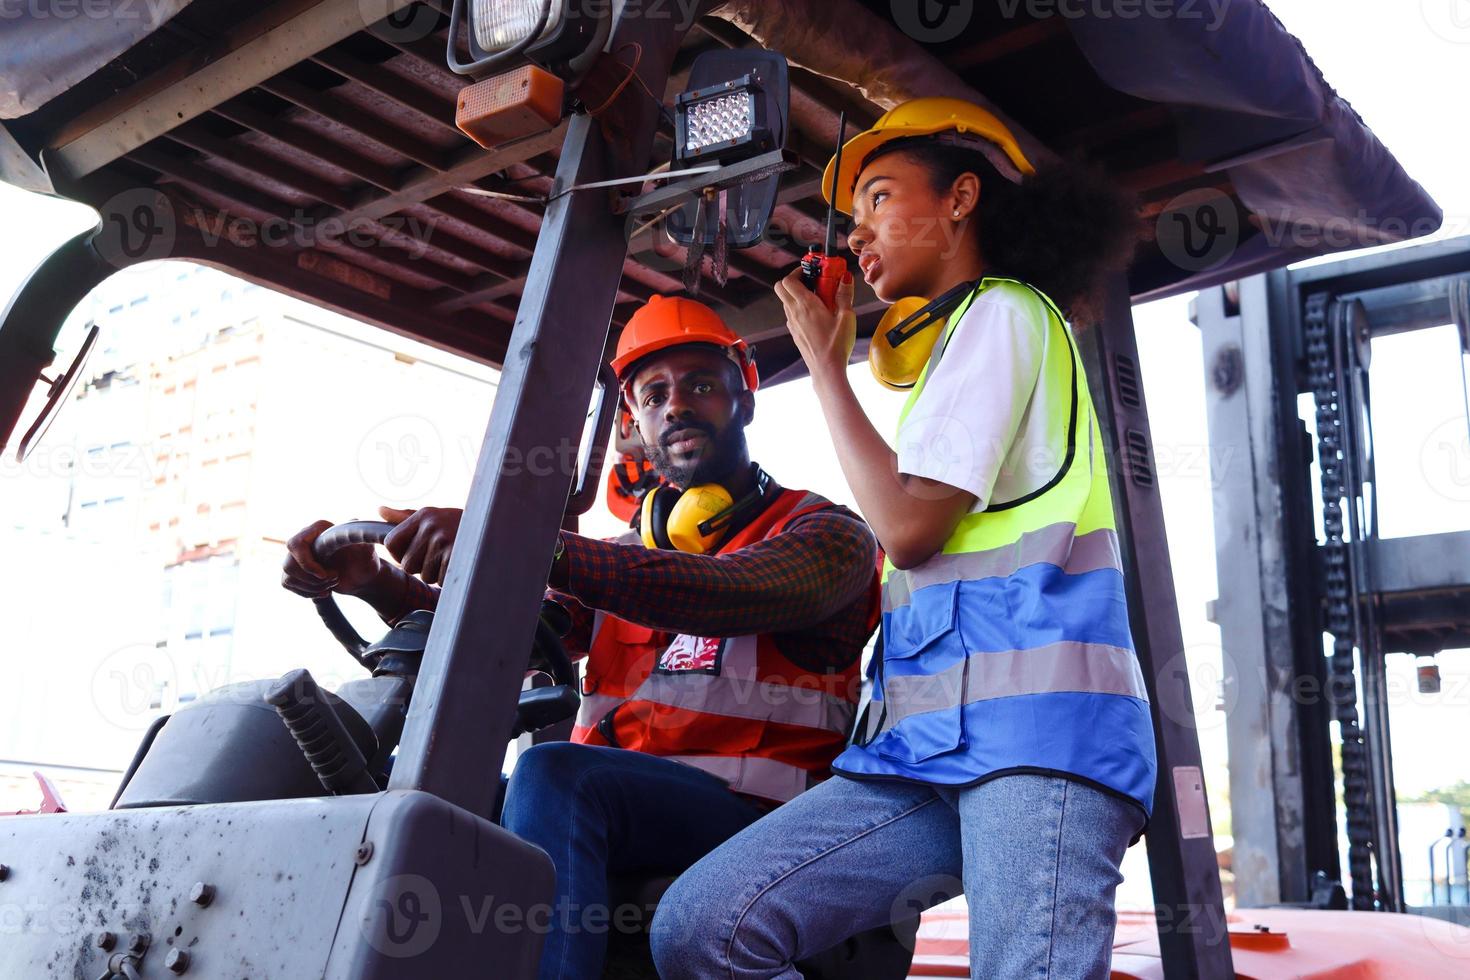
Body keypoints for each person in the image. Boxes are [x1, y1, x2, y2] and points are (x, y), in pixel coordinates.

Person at [651, 98, 1157, 980]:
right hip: (927, 750)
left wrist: (822, 364)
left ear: (961, 199)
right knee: (704, 927)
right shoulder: (961, 353)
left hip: (1037, 739)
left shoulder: (1004, 312)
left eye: (880, 198)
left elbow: (910, 528)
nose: (857, 236)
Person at [280, 294, 879, 980]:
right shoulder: (618, 562)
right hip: (620, 805)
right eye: (654, 395)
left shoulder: (827, 536)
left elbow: (730, 592)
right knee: (435, 803)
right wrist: (373, 584)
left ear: (745, 399)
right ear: (634, 424)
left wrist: (525, 542)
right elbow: (507, 627)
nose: (676, 406)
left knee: (555, 771)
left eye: (701, 385)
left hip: (764, 833)